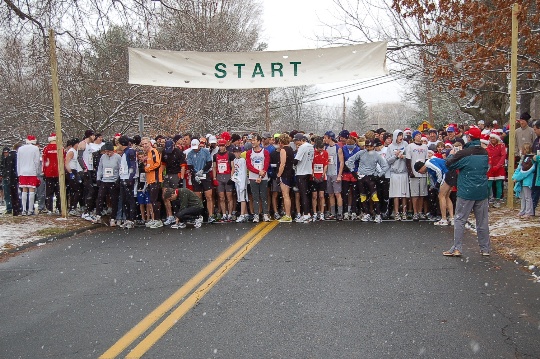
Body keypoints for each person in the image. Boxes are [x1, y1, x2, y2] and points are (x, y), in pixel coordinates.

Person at [443, 126, 491, 257]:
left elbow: (449, 165)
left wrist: (451, 154)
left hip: (466, 191)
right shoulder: (484, 153)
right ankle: (485, 248)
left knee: (460, 219)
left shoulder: (464, 153)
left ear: (469, 137)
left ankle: (457, 247)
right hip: (481, 191)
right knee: (482, 222)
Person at [345, 138, 389, 223]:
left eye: (370, 146)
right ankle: (366, 213)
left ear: (373, 146)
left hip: (371, 177)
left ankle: (378, 214)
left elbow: (385, 166)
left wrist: (378, 176)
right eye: (367, 146)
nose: (369, 148)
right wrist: (353, 171)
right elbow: (349, 161)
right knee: (363, 196)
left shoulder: (376, 155)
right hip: (361, 177)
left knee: (374, 196)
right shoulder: (361, 153)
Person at [413, 156, 455, 226]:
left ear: (420, 168)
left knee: (441, 196)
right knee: (447, 197)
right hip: (452, 173)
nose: (421, 173)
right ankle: (452, 218)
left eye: (419, 172)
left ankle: (444, 219)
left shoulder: (428, 163)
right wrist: (436, 186)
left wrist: (438, 183)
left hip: (447, 173)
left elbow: (438, 170)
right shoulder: (429, 168)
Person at [92, 142, 121, 226]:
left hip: (113, 181)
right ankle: (98, 215)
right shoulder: (103, 157)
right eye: (106, 151)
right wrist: (98, 178)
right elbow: (100, 168)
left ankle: (113, 218)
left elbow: (120, 169)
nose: (107, 153)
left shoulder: (117, 157)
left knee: (114, 200)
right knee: (100, 197)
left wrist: (118, 179)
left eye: (109, 151)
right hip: (104, 180)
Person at [186, 138, 214, 222]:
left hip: (205, 174)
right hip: (196, 176)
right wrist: (195, 173)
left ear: (199, 145)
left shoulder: (205, 151)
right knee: (198, 197)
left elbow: (209, 163)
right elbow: (190, 166)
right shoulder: (190, 154)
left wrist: (203, 170)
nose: (195, 149)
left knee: (209, 196)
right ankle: (200, 215)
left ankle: (211, 215)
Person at [246, 134, 271, 222]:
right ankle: (256, 214)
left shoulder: (265, 152)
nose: (253, 142)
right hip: (253, 177)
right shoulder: (249, 152)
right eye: (252, 140)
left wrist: (261, 174)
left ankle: (265, 214)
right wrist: (257, 172)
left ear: (259, 141)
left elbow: (266, 164)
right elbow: (249, 165)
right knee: (255, 196)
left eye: (255, 140)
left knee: (264, 196)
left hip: (263, 177)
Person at [406, 130, 429, 221]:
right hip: (414, 174)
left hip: (423, 173)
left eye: (420, 135)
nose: (419, 136)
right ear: (414, 137)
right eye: (417, 135)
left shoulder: (425, 147)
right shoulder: (410, 146)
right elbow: (408, 160)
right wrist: (410, 171)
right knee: (415, 194)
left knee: (422, 194)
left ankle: (420, 211)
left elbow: (427, 159)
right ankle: (415, 212)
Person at [141, 137, 164, 228]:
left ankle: (158, 220)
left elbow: (157, 164)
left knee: (154, 200)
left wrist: (147, 169)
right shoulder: (148, 153)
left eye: (146, 143)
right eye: (143, 144)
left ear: (149, 143)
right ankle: (155, 219)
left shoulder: (154, 151)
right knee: (153, 200)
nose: (144, 146)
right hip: (150, 179)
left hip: (156, 179)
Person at [161, 138, 185, 226]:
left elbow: (183, 166)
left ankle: (178, 216)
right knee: (165, 195)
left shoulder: (179, 152)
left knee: (176, 196)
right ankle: (170, 215)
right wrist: (160, 174)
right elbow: (163, 164)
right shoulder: (164, 152)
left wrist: (181, 177)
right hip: (168, 174)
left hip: (176, 174)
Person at [117, 136, 138, 229]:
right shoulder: (125, 152)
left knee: (130, 199)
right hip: (123, 177)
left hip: (127, 178)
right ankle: (127, 218)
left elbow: (132, 165)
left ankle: (131, 219)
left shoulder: (130, 151)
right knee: (125, 199)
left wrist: (130, 178)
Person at [323, 131, 344, 220]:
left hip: (335, 173)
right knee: (330, 194)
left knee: (337, 194)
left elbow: (342, 162)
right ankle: (332, 212)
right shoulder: (326, 147)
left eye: (325, 138)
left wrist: (339, 174)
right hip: (328, 173)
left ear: (330, 138)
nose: (324, 139)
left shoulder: (338, 148)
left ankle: (340, 213)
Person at [293, 133, 315, 223]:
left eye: (296, 140)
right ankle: (308, 213)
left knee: (303, 194)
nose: (295, 142)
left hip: (301, 172)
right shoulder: (311, 146)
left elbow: (297, 160)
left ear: (300, 140)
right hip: (308, 171)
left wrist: (292, 164)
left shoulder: (303, 147)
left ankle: (305, 214)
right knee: (306, 193)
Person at [213, 138, 235, 222]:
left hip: (227, 176)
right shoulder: (215, 156)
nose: (221, 148)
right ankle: (224, 214)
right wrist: (214, 178)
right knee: (221, 197)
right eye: (220, 146)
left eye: (222, 146)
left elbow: (233, 167)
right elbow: (214, 167)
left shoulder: (230, 155)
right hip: (219, 177)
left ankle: (230, 214)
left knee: (229, 196)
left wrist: (231, 177)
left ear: (225, 146)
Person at [17, 135, 41, 215]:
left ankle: (24, 209)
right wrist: (37, 171)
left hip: (22, 171)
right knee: (31, 190)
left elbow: (18, 162)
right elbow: (37, 161)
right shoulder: (35, 149)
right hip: (32, 171)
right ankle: (30, 209)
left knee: (24, 190)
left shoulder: (20, 149)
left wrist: (19, 172)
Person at [512, 143, 535, 219]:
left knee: (528, 197)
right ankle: (523, 210)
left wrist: (517, 178)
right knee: (523, 197)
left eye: (522, 149)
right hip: (522, 181)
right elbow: (519, 168)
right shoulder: (524, 158)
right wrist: (515, 176)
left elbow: (525, 171)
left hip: (527, 181)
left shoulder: (530, 159)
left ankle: (529, 212)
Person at [78, 130, 97, 220]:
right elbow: (80, 157)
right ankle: (86, 212)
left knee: (91, 190)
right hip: (85, 171)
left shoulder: (90, 145)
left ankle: (89, 210)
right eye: (93, 136)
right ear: (89, 136)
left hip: (90, 169)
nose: (94, 138)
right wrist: (84, 168)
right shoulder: (83, 144)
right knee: (90, 190)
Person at [42, 133, 63, 214]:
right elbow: (63, 160)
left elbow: (44, 161)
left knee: (49, 192)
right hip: (58, 172)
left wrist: (44, 171)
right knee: (59, 192)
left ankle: (49, 208)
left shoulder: (46, 149)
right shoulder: (61, 148)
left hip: (49, 172)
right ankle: (59, 208)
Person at [276, 134, 295, 223]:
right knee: (287, 195)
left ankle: (288, 215)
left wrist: (278, 175)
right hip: (290, 172)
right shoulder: (291, 149)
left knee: (285, 195)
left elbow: (282, 164)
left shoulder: (283, 150)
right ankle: (288, 213)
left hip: (285, 174)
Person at [486, 131, 507, 208]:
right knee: (488, 185)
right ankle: (487, 200)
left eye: (493, 138)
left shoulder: (501, 146)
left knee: (499, 185)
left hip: (499, 168)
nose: (492, 139)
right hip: (490, 168)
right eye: (491, 138)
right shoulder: (488, 147)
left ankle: (498, 200)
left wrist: (498, 166)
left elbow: (503, 156)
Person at [310, 138, 328, 221]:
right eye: (319, 149)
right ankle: (314, 212)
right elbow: (310, 164)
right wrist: (313, 175)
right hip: (313, 177)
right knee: (314, 196)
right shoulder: (312, 153)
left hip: (322, 177)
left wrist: (323, 174)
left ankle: (321, 213)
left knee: (321, 195)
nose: (321, 151)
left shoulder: (325, 153)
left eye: (322, 149)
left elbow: (325, 164)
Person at [231, 146, 249, 223]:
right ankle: (245, 214)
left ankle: (242, 214)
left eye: (238, 152)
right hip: (237, 181)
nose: (237, 153)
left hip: (242, 181)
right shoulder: (235, 160)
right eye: (235, 152)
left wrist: (243, 184)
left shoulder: (242, 160)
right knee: (240, 198)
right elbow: (236, 171)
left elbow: (244, 173)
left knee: (242, 198)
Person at [64, 138, 81, 215]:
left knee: (76, 190)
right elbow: (66, 162)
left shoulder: (75, 151)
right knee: (76, 190)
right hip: (71, 170)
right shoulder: (71, 152)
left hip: (74, 170)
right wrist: (70, 172)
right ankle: (72, 207)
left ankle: (73, 206)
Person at [531, 120, 540, 215]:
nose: (534, 131)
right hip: (537, 169)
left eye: (536, 129)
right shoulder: (536, 140)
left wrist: (538, 158)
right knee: (535, 190)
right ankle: (532, 209)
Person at [1, 147, 12, 214]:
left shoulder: (10, 160)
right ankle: (9, 208)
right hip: (5, 177)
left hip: (10, 178)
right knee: (6, 193)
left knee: (10, 193)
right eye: (4, 153)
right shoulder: (3, 160)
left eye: (6, 152)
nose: (6, 154)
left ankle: (10, 207)